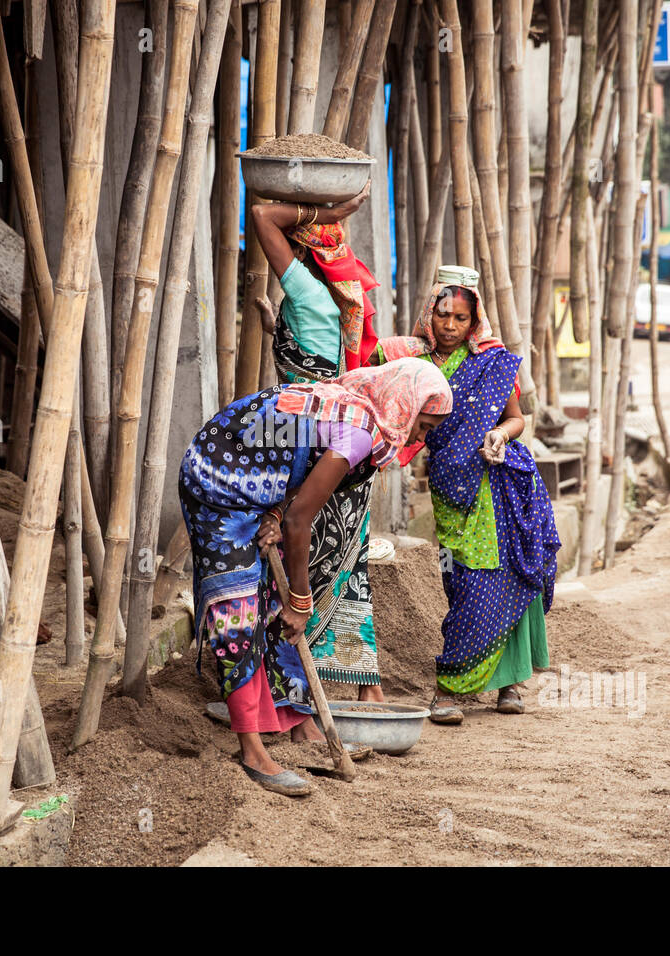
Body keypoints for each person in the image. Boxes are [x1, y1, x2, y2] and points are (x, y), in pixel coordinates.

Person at [179, 360, 452, 795]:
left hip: (254, 484)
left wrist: (274, 509)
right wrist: (301, 601)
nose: (422, 436)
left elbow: (290, 461)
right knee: (239, 613)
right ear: (405, 403)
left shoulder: (361, 417)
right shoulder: (358, 430)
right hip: (218, 481)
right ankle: (251, 751)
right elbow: (300, 521)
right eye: (424, 423)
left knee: (271, 604)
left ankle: (293, 722)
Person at [375, 266, 560, 724]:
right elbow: (369, 363)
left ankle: (490, 686)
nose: (451, 326)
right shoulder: (414, 361)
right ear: (430, 315)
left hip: (501, 482)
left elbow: (518, 418)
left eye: (461, 318)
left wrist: (499, 433)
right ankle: (463, 675)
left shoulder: (493, 362)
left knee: (509, 575)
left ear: (474, 320)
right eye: (444, 316)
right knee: (462, 582)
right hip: (451, 487)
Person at [250, 182, 389, 700]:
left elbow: (263, 213)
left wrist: (333, 209)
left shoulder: (308, 292)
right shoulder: (327, 303)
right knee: (350, 563)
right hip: (345, 445)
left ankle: (288, 688)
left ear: (300, 248)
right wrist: (275, 324)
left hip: (308, 445)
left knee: (298, 555)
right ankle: (362, 685)